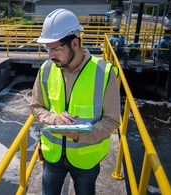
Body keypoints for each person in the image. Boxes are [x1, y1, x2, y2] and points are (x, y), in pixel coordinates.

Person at [29, 8, 121, 195]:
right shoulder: (46, 69)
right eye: (47, 49)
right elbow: (36, 106)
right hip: (52, 156)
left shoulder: (104, 73)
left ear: (74, 43)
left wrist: (79, 135)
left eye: (56, 49)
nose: (50, 55)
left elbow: (112, 121)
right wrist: (53, 118)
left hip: (86, 159)